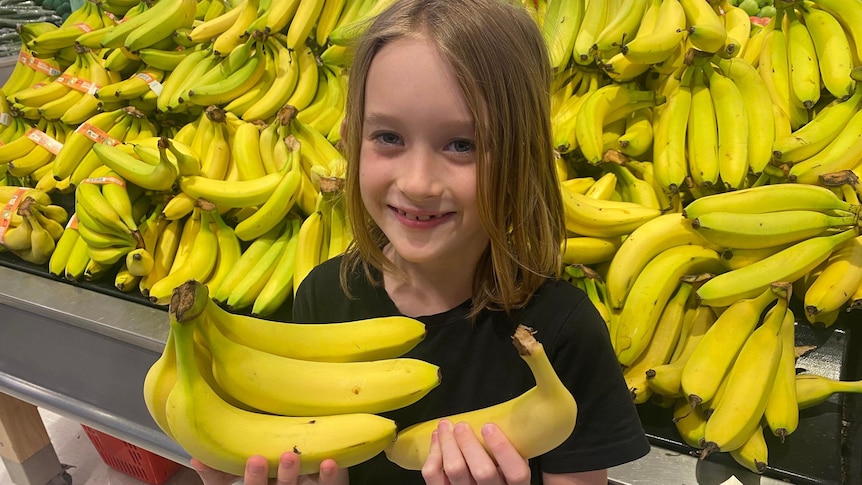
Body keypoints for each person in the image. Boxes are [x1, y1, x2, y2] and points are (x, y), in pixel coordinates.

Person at [193, 0, 651, 483]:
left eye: (462, 145)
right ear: (351, 141)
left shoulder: (563, 332)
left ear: (524, 159)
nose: (417, 182)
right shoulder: (324, 297)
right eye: (389, 137)